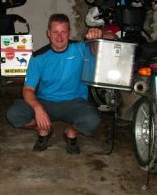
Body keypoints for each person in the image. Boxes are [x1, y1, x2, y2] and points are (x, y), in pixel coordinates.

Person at [6, 13, 109, 155]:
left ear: (69, 33)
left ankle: (70, 132)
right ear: (48, 33)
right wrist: (38, 108)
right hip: (46, 102)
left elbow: (103, 45)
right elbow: (28, 89)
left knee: (92, 120)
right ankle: (43, 129)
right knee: (14, 114)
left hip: (74, 103)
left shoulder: (81, 48)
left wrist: (100, 35)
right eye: (55, 32)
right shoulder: (38, 57)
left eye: (63, 32)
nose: (59, 37)